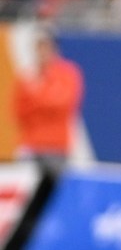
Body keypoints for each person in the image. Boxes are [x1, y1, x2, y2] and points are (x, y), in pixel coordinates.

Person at [13, 31, 84, 176]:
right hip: (31, 144)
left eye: (46, 47)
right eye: (39, 48)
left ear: (54, 49)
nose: (42, 53)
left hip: (56, 146)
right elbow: (19, 110)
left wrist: (37, 97)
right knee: (28, 186)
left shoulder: (67, 73)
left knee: (54, 185)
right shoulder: (28, 76)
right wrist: (45, 99)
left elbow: (64, 104)